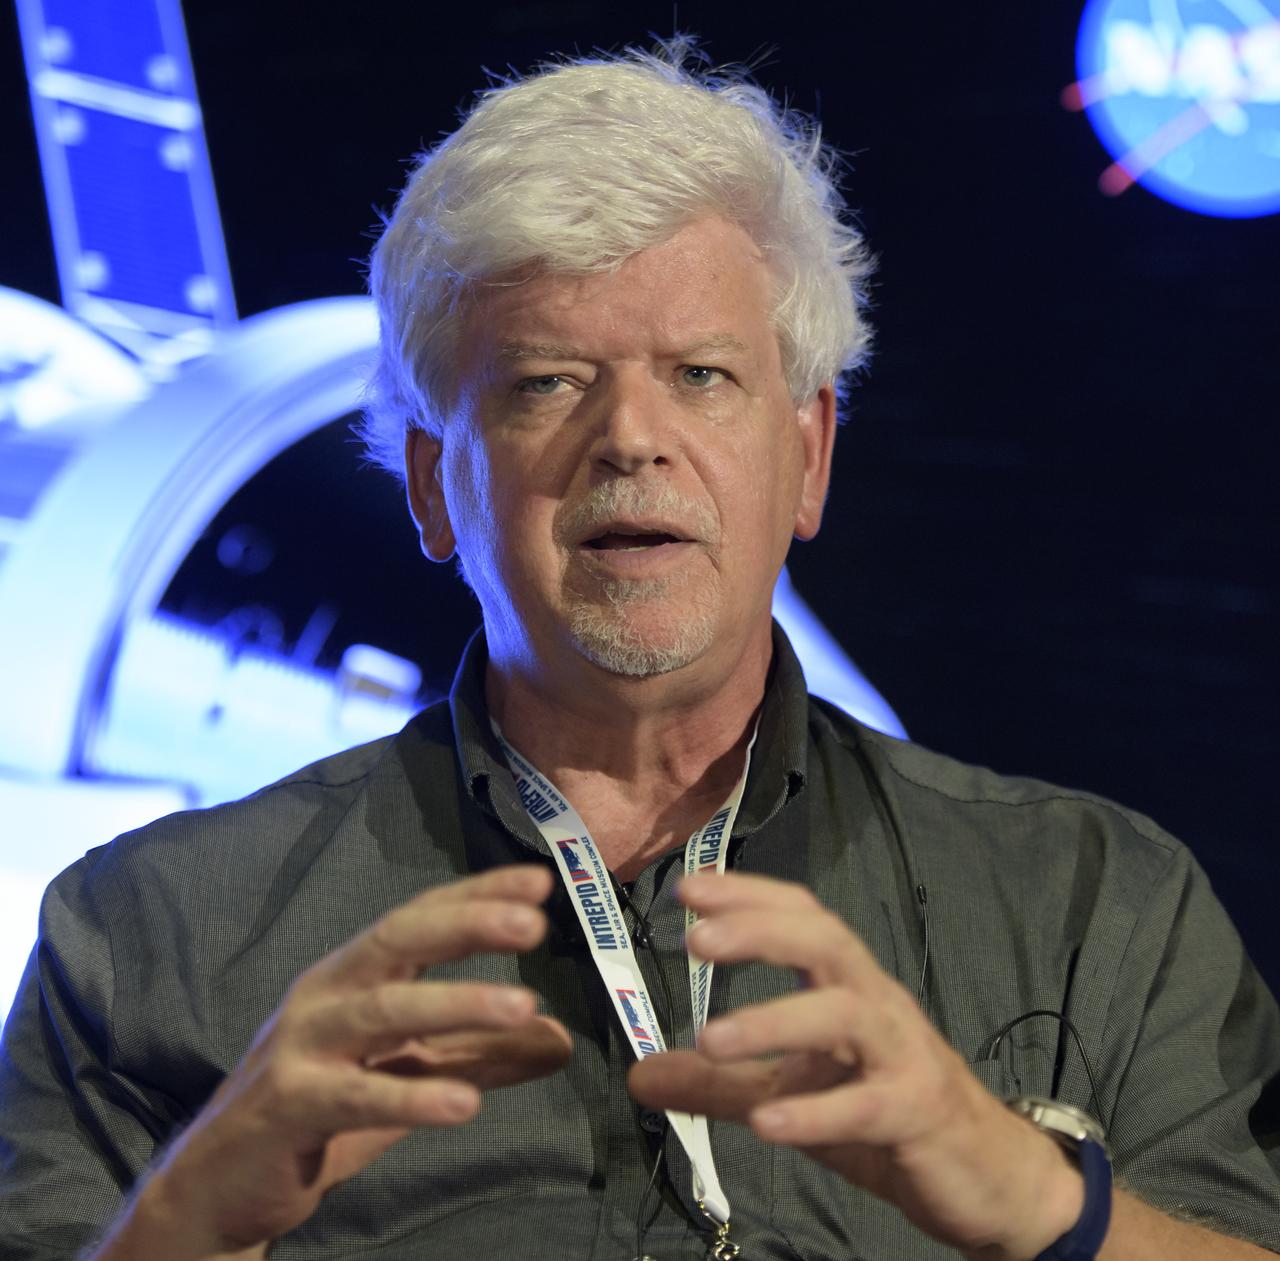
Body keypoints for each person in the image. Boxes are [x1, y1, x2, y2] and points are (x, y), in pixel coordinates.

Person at [2, 44, 1278, 1261]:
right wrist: (195, 1224)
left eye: (703, 375)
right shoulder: (146, 936)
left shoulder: (1091, 903)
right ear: (434, 487)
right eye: (547, 382)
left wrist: (1030, 1197)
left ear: (809, 455)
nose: (630, 438)